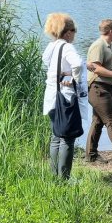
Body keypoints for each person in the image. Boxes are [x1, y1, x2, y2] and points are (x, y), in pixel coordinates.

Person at [41, 12, 84, 179]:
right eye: (74, 31)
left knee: (56, 136)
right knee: (68, 137)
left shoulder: (51, 46)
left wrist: (62, 74)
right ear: (68, 32)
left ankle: (54, 175)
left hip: (51, 97)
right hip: (65, 97)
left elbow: (46, 63)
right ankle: (64, 178)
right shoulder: (67, 47)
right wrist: (74, 78)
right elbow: (78, 64)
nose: (74, 35)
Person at [85, 19, 112, 163]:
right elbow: (96, 68)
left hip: (106, 88)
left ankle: (91, 155)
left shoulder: (110, 46)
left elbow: (106, 68)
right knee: (111, 120)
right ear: (110, 31)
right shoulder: (99, 45)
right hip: (98, 88)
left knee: (98, 121)